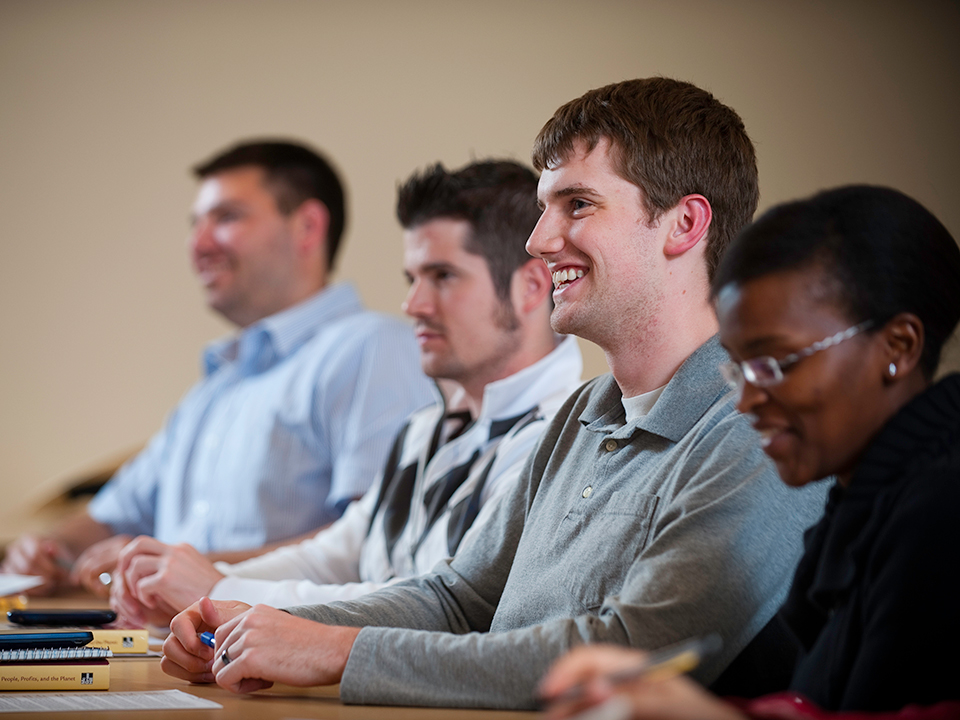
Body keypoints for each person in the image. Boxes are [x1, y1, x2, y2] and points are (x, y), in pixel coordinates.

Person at [160, 78, 827, 709]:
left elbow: (632, 655)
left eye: (578, 205)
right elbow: (458, 599)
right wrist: (261, 625)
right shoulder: (582, 414)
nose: (539, 242)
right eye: (545, 209)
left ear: (684, 224)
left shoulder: (756, 426)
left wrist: (337, 649)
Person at [539, 185, 960, 718]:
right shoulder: (862, 505)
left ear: (898, 347)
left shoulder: (941, 508)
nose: (747, 399)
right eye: (738, 367)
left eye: (776, 363)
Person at [107, 160, 583, 627]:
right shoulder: (426, 428)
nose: (412, 305)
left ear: (530, 286)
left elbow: (439, 605)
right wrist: (189, 589)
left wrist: (220, 593)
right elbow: (339, 553)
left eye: (443, 276)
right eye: (411, 278)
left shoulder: (562, 442)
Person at [1, 140, 433, 597]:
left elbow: (377, 543)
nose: (198, 244)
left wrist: (191, 571)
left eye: (226, 218)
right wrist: (46, 548)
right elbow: (106, 517)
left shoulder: (371, 350)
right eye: (195, 224)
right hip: (170, 648)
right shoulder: (213, 392)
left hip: (275, 656)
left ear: (307, 226)